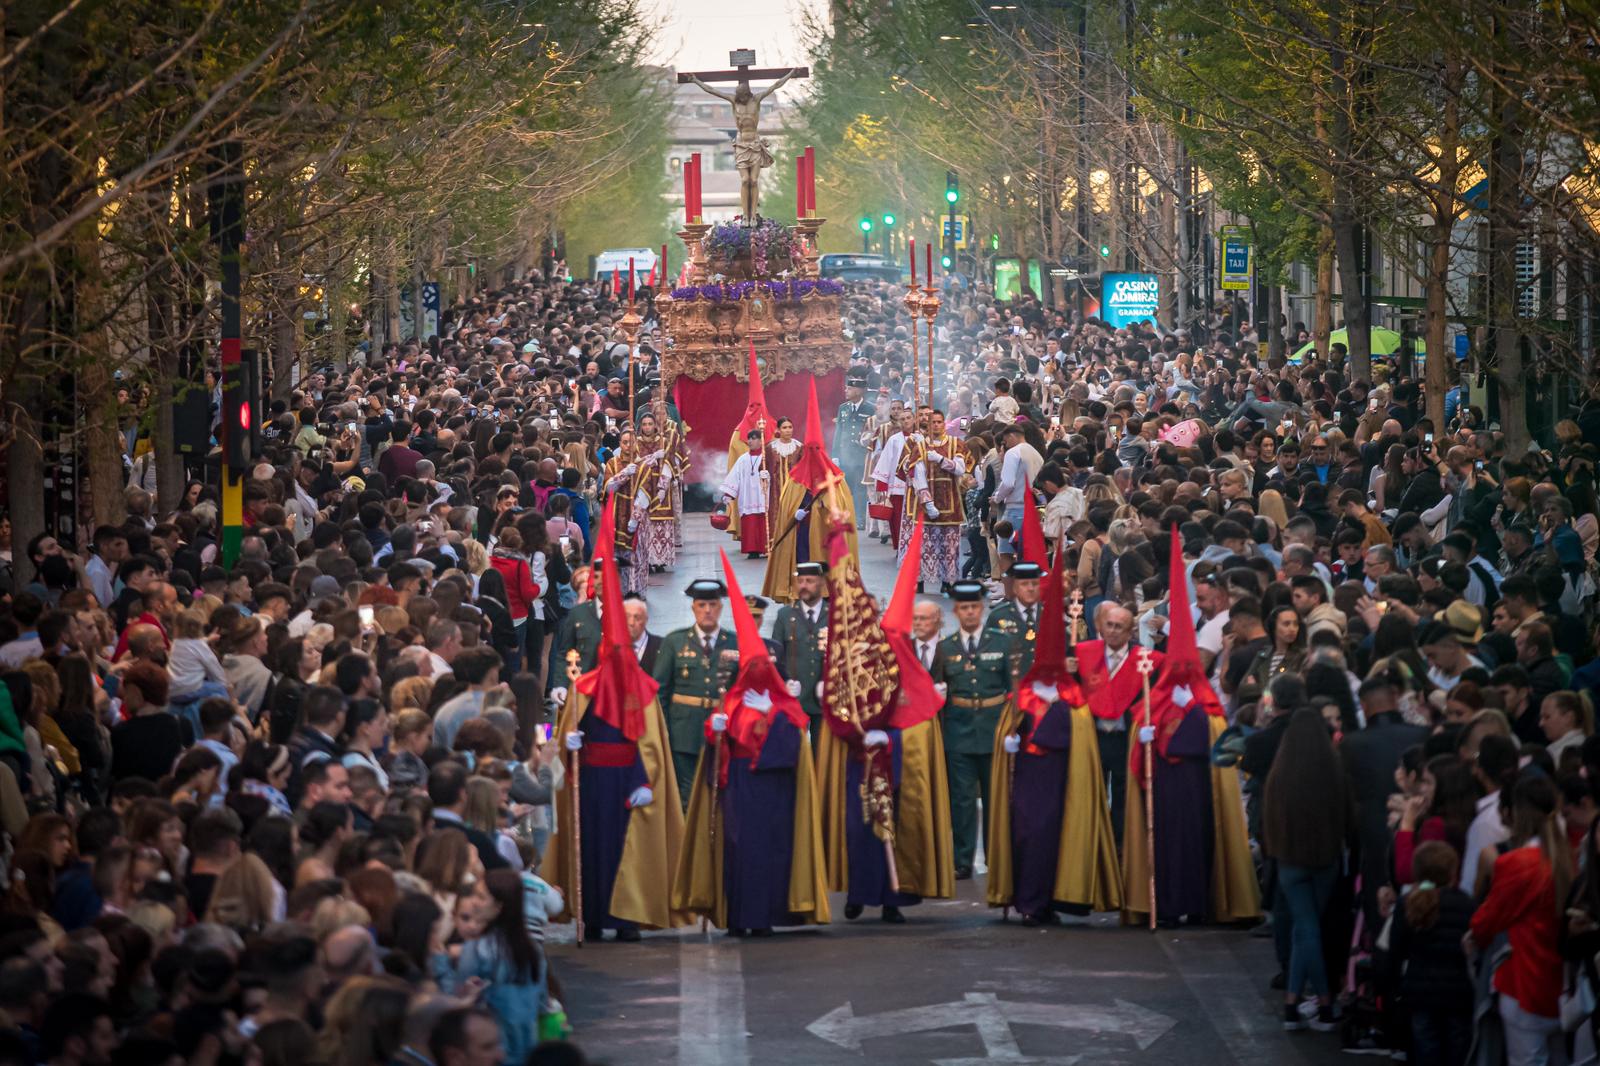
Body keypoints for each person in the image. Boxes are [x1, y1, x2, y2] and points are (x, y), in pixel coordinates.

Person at [672, 554, 828, 936]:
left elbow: (794, 739)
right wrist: (718, 729)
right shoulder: (733, 700)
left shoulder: (781, 706)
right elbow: (716, 736)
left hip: (773, 789)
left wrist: (774, 717)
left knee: (772, 851)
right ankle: (739, 917)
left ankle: (768, 917)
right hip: (739, 784)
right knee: (737, 849)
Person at [545, 545, 685, 942]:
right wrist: (567, 743)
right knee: (592, 851)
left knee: (628, 851)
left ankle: (627, 919)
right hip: (590, 782)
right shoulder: (585, 686)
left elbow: (649, 741)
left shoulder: (640, 689)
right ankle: (591, 916)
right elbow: (564, 731)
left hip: (626, 779)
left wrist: (644, 779)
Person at [985, 555, 1121, 925]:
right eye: (1025, 584)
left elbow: (1084, 675)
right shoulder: (1000, 619)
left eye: (1035, 584)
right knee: (1026, 823)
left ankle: (1059, 893)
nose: (1030, 590)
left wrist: (1073, 671)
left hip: (1059, 723)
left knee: (1061, 821)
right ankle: (1025, 895)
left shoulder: (1067, 625)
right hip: (1021, 720)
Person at [1468, 774, 1570, 1066]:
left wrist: (1475, 937)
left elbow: (1486, 920)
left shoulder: (1516, 863)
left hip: (1524, 980)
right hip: (1559, 984)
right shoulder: (1566, 857)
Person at [1261, 709, 1348, 1032]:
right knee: (1308, 929)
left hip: (1288, 861)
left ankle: (1292, 1003)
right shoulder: (1334, 770)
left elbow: (1267, 820)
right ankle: (1324, 1003)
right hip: (1325, 859)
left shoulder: (1280, 774)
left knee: (1303, 929)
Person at [935, 581, 1012, 880]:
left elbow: (1012, 688)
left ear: (981, 609)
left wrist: (1012, 729)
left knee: (996, 798)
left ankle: (996, 855)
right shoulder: (946, 648)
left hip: (994, 730)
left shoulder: (1001, 643)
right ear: (956, 611)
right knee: (962, 799)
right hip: (959, 730)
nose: (969, 613)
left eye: (974, 607)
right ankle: (962, 858)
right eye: (963, 608)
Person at [650, 578, 737, 810]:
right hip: (684, 733)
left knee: (722, 797)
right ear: (693, 608)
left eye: (712, 605)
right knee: (687, 799)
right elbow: (661, 693)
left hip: (724, 735)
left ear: (720, 607)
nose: (707, 610)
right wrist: (665, 732)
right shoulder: (674, 642)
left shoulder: (734, 643)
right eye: (701, 605)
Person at [771, 562, 828, 739]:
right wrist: (785, 682)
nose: (804, 585)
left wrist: (831, 683)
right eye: (800, 581)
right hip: (795, 700)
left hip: (824, 702)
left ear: (821, 582)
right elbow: (776, 656)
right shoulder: (785, 615)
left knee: (822, 759)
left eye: (809, 581)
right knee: (796, 758)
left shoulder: (835, 613)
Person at [719, 428, 771, 559]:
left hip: (763, 495)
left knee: (763, 521)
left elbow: (776, 473)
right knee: (750, 523)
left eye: (754, 438)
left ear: (761, 441)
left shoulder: (767, 457)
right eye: (749, 438)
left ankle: (766, 547)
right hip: (748, 497)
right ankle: (752, 549)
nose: (750, 441)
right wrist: (728, 494)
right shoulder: (743, 459)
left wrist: (769, 475)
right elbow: (734, 476)